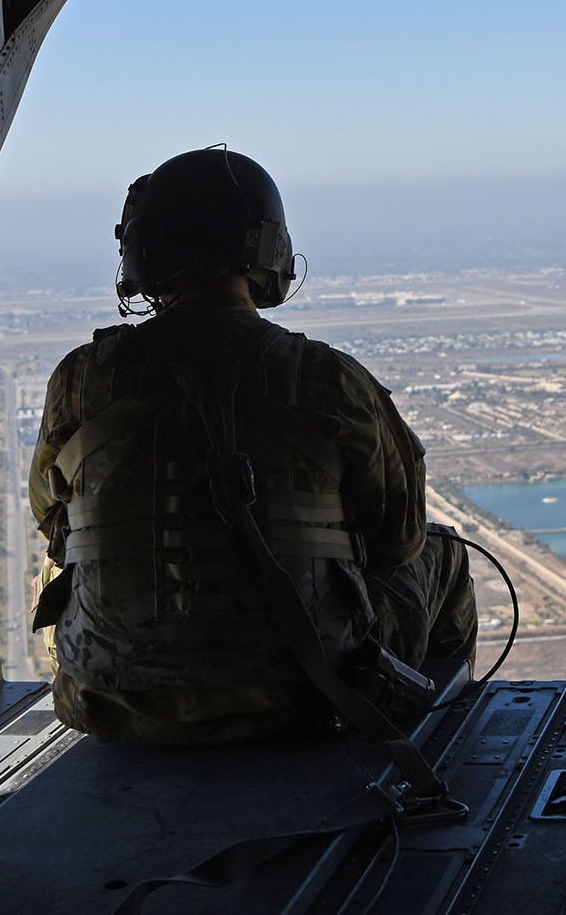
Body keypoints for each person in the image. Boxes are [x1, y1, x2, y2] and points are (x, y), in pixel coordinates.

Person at [26, 148, 476, 745]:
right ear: (268, 249)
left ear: (141, 252)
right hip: (304, 697)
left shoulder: (80, 380)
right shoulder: (328, 379)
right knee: (443, 551)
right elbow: (398, 540)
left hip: (111, 704)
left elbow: (50, 516)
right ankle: (444, 744)